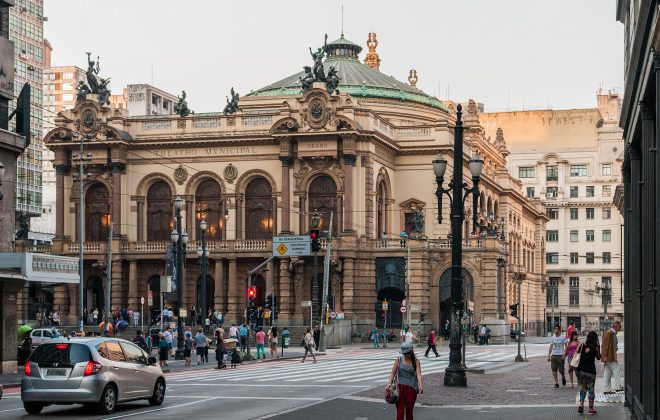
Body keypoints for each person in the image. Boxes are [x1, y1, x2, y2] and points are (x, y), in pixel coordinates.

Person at [387, 342, 423, 420]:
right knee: (400, 412)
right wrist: (389, 383)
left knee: (409, 412)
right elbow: (393, 372)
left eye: (408, 353)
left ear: (411, 351)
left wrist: (420, 385)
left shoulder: (416, 361)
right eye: (405, 353)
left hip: (412, 389)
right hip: (399, 389)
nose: (406, 355)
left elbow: (419, 374)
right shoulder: (399, 359)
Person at [576, 330, 601, 415]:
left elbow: (577, 352)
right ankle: (590, 409)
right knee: (591, 390)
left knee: (583, 388)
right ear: (595, 338)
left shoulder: (583, 345)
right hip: (591, 372)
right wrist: (598, 348)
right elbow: (598, 357)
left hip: (581, 371)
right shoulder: (596, 346)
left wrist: (581, 344)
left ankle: (581, 404)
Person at [601, 320, 622, 394]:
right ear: (615, 326)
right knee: (617, 369)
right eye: (619, 326)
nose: (620, 328)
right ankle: (618, 387)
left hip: (610, 356)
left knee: (608, 372)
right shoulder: (609, 333)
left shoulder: (612, 333)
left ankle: (606, 389)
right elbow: (604, 345)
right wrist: (605, 356)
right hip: (609, 357)